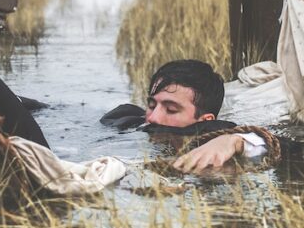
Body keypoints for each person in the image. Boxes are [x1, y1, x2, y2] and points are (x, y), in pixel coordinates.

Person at [99, 59, 271, 172]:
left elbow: (278, 145)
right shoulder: (126, 120)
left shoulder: (215, 134)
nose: (153, 118)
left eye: (171, 110)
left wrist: (234, 141)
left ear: (205, 120)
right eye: (152, 105)